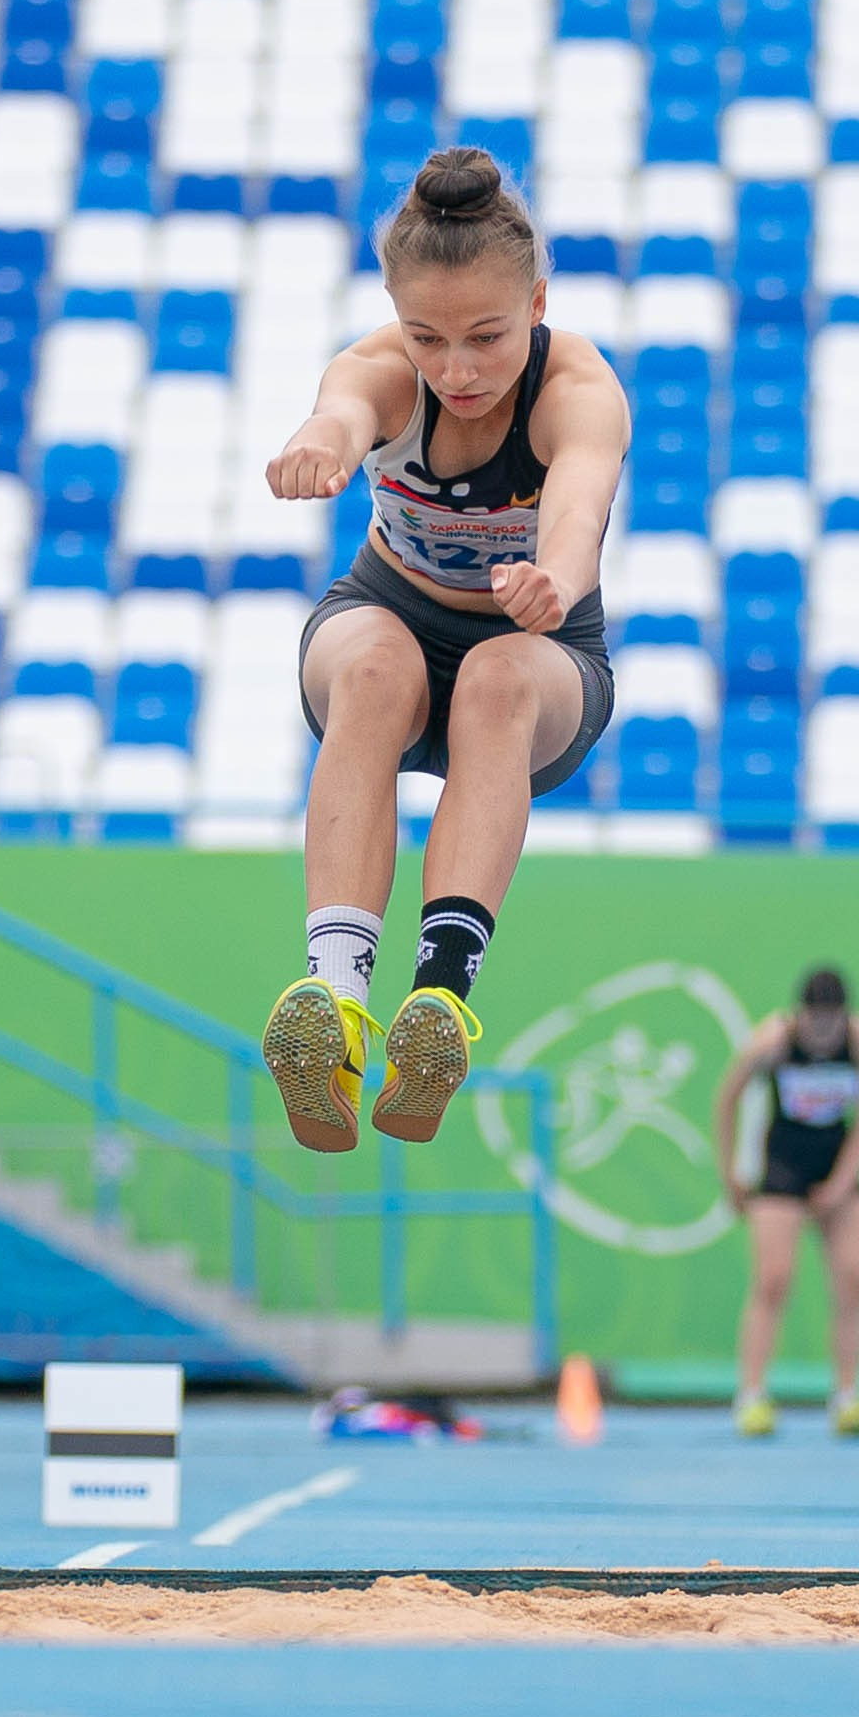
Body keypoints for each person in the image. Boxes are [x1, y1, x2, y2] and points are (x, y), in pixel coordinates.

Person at [258, 149, 632, 1154]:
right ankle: (331, 1004)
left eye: (486, 338)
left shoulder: (578, 389)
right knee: (375, 670)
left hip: (536, 644)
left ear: (538, 302)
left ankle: (437, 1005)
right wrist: (325, 444)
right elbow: (342, 410)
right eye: (427, 337)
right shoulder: (381, 369)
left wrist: (551, 575)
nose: (457, 371)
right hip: (387, 613)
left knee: (497, 679)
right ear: (393, 312)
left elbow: (579, 502)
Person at [713, 967, 859, 1438]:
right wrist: (730, 1171)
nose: (822, 1034)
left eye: (832, 1024)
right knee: (773, 1281)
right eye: (815, 1023)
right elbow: (726, 1100)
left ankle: (848, 1394)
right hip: (782, 1169)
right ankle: (751, 1395)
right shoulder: (771, 1041)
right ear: (801, 1016)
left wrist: (839, 1184)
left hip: (838, 1164)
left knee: (854, 1280)